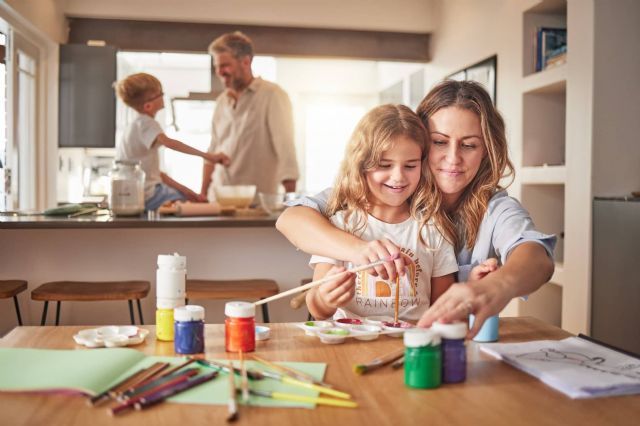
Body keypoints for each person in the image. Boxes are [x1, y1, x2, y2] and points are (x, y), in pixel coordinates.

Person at [276, 80, 556, 337]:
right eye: (439, 142)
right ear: (421, 143)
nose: (453, 158)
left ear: (487, 150)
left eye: (469, 145)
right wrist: (358, 250)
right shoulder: (361, 195)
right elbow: (291, 219)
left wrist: (494, 287)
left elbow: (537, 257)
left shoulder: (491, 210)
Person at [306, 104, 459, 321]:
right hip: (352, 344)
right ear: (361, 165)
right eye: (384, 165)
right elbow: (317, 309)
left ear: (423, 166)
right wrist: (324, 298)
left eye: (410, 166)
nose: (398, 177)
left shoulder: (433, 228)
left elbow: (443, 309)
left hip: (411, 346)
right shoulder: (340, 226)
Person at [201, 31, 299, 200]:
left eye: (225, 65)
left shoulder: (272, 95)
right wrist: (202, 195)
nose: (219, 72)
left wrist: (292, 203)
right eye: (217, 66)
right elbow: (212, 150)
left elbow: (286, 152)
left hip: (256, 203)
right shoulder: (221, 102)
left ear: (246, 61)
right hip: (218, 200)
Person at [115, 73, 230, 211]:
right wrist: (209, 156)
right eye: (160, 93)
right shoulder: (147, 123)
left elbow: (159, 175)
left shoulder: (134, 127)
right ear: (148, 106)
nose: (164, 96)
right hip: (149, 194)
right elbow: (170, 143)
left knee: (188, 200)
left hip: (136, 195)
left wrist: (189, 193)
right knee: (196, 209)